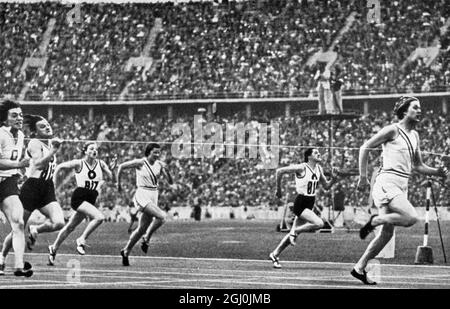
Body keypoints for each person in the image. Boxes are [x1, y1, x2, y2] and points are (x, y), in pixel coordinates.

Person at [351, 96, 448, 285]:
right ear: (404, 111)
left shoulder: (415, 136)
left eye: (420, 108)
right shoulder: (392, 130)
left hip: (402, 185)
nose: (419, 111)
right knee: (411, 217)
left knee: (386, 234)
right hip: (387, 181)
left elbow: (418, 166)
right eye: (415, 107)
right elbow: (365, 147)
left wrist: (437, 172)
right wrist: (362, 177)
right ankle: (376, 220)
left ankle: (359, 268)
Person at [1, 115, 65, 269]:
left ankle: (35, 229)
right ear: (35, 132)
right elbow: (39, 164)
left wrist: (53, 149)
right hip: (32, 188)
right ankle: (2, 257)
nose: (48, 127)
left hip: (47, 187)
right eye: (42, 126)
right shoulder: (34, 143)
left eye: (48, 124)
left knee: (59, 222)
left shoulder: (49, 143)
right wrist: (53, 151)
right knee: (17, 228)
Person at [47, 142, 115, 265]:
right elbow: (59, 167)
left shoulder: (101, 164)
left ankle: (53, 247)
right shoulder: (79, 163)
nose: (95, 151)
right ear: (85, 151)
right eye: (91, 149)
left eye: (96, 149)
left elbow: (111, 178)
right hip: (80, 197)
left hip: (91, 198)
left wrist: (112, 169)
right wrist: (54, 184)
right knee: (99, 217)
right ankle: (81, 239)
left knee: (70, 227)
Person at [269, 148, 338, 269]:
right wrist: (278, 190)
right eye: (316, 153)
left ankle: (275, 254)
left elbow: (326, 186)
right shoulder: (302, 167)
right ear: (309, 157)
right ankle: (295, 232)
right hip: (300, 202)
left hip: (310, 202)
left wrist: (334, 179)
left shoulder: (319, 169)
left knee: (291, 235)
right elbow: (279, 171)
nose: (319, 154)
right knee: (319, 223)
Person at [117, 143, 173, 266]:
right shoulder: (140, 162)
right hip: (142, 193)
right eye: (155, 152)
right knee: (162, 217)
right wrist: (118, 184)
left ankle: (126, 251)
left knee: (141, 228)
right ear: (148, 152)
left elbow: (170, 182)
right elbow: (121, 167)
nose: (157, 155)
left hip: (153, 194)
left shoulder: (159, 165)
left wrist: (167, 171)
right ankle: (146, 239)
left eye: (159, 153)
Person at [0, 100, 33, 277]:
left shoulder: (20, 135)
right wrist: (18, 163)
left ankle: (19, 266)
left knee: (19, 222)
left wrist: (20, 170)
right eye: (14, 115)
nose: (19, 118)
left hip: (7, 183)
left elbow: (13, 162)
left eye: (20, 115)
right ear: (4, 120)